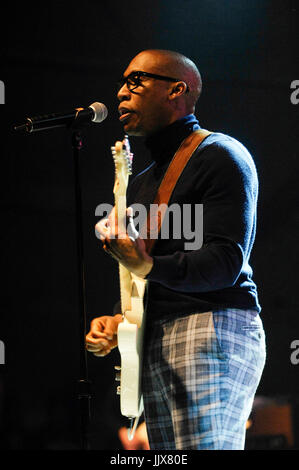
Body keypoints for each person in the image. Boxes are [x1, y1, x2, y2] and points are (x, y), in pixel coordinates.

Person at [86, 49, 266, 450]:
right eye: (122, 83)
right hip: (159, 333)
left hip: (211, 325)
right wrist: (122, 321)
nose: (120, 93)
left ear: (176, 90)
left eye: (135, 81)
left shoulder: (219, 155)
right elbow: (152, 272)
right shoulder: (145, 182)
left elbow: (224, 262)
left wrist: (144, 263)